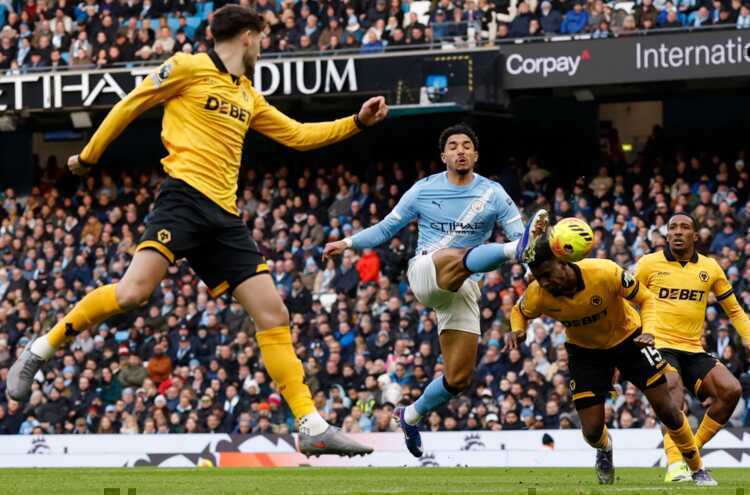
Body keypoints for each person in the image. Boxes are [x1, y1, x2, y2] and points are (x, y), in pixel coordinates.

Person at [7, 4, 388, 458]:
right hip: (183, 200)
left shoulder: (247, 94)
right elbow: (131, 104)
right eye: (262, 40)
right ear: (248, 35)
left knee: (273, 314)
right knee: (132, 294)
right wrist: (88, 156)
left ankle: (311, 425)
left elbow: (298, 135)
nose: (263, 49)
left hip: (225, 219)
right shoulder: (187, 67)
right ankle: (40, 350)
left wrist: (357, 123)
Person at [323, 123, 549, 457]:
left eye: (466, 145)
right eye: (453, 146)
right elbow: (386, 228)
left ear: (476, 154)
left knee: (458, 378)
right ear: (443, 156)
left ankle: (411, 415)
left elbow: (522, 235)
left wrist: (531, 269)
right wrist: (346, 242)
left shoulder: (493, 193)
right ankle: (506, 253)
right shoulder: (422, 190)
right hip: (427, 271)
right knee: (457, 255)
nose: (460, 150)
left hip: (463, 286)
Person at [506, 240, 717, 486]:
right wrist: (518, 330)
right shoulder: (538, 294)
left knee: (667, 408)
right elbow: (519, 311)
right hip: (585, 354)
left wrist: (649, 331)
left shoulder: (604, 272)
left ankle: (697, 468)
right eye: (538, 277)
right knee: (591, 431)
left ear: (562, 263)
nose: (544, 282)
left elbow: (647, 298)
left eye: (547, 274)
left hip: (629, 340)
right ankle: (605, 448)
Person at [635, 214, 749, 482]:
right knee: (672, 386)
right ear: (667, 235)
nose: (677, 232)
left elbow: (734, 310)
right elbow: (625, 300)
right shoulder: (648, 264)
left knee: (731, 390)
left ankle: (691, 453)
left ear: (695, 236)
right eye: (672, 227)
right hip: (658, 344)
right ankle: (675, 464)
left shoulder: (710, 268)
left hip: (693, 348)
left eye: (684, 227)